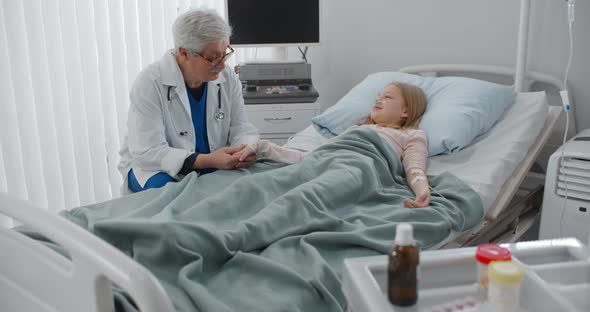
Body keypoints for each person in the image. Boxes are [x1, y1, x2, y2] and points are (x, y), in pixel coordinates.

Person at [118, 9, 259, 193]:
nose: (222, 65)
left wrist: (245, 148)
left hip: (210, 165)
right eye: (214, 57)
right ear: (184, 53)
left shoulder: (227, 77)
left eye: (225, 54)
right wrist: (207, 160)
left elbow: (241, 128)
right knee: (174, 196)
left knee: (251, 187)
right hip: (155, 168)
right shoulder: (150, 83)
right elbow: (148, 151)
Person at [235, 82, 431, 208]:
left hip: (360, 169)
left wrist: (422, 191)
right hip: (328, 164)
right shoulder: (356, 130)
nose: (378, 99)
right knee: (260, 186)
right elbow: (312, 156)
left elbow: (414, 168)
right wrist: (262, 147)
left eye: (387, 97)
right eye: (378, 96)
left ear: (406, 111)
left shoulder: (411, 135)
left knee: (304, 198)